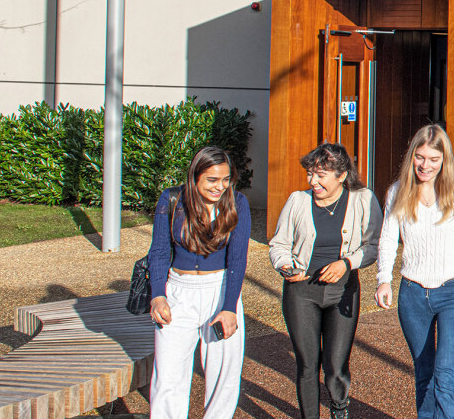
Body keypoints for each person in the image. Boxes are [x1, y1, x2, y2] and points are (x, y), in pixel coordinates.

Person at [374, 125, 454, 419]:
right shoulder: (398, 191)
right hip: (412, 294)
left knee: (445, 376)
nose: (426, 165)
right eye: (420, 157)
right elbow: (388, 238)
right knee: (424, 373)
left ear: (444, 160)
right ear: (412, 156)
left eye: (433, 159)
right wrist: (384, 279)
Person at [268, 143, 383, 419]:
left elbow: (375, 245)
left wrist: (346, 263)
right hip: (301, 292)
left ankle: (339, 408)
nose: (313, 181)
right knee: (308, 365)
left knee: (336, 365)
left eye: (321, 175)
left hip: (342, 292)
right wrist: (284, 264)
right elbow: (278, 244)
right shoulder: (297, 201)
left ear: (342, 175)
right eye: (310, 174)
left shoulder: (363, 199)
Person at [146, 146, 251, 419]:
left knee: (222, 375)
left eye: (226, 179)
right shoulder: (172, 200)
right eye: (212, 180)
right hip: (178, 292)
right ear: (195, 176)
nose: (220, 187)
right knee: (168, 374)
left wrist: (229, 308)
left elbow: (238, 259)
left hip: (220, 291)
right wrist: (158, 295)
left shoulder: (237, 202)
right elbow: (158, 251)